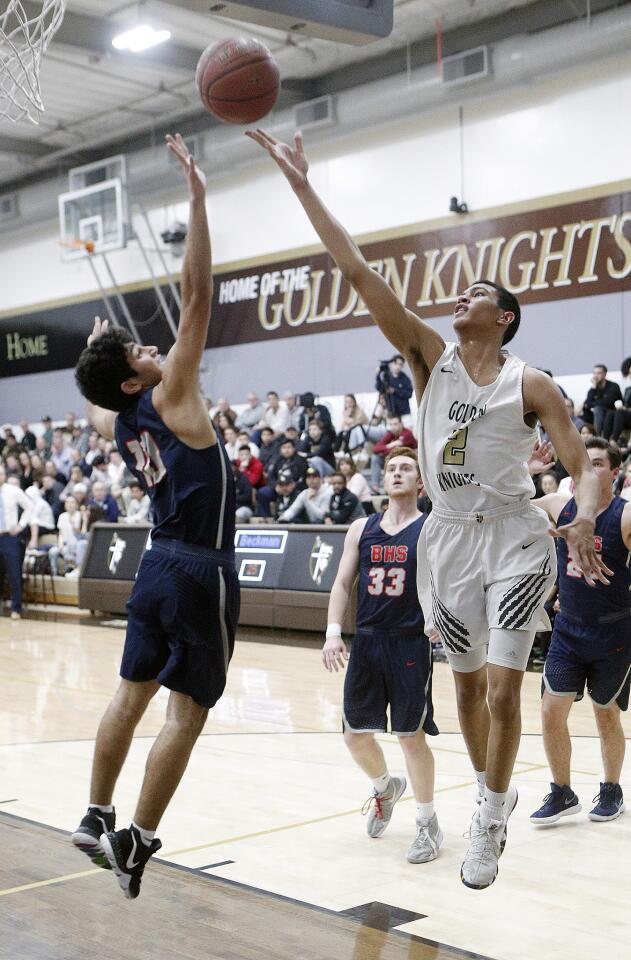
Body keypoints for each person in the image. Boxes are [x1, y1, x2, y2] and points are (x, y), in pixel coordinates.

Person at [247, 126, 608, 889]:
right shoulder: (423, 355)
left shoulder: (531, 383)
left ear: (504, 317)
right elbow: (353, 269)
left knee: (508, 685)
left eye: (476, 294)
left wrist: (579, 513)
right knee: (468, 686)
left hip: (513, 534)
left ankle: (487, 814)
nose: (460, 298)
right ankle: (492, 794)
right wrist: (301, 184)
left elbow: (582, 461)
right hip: (443, 544)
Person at [71, 134, 239, 900]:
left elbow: (96, 389)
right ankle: (134, 837)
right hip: (199, 566)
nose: (153, 345)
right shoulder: (169, 393)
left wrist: (104, 360)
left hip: (153, 563)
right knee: (187, 713)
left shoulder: (118, 419)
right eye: (139, 349)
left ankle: (93, 811)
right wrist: (199, 199)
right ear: (139, 378)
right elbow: (198, 296)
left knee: (128, 693)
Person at [323, 448, 441, 863]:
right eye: (391, 468)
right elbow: (341, 584)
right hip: (368, 641)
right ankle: (384, 786)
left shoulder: (431, 527)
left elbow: (448, 579)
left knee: (411, 737)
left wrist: (440, 619)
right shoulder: (361, 528)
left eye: (406, 468)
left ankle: (427, 822)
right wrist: (333, 633)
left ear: (420, 481)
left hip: (410, 641)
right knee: (354, 734)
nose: (396, 473)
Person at [530, 439, 630, 825]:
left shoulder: (624, 516)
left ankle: (611, 788)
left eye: (599, 463)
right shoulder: (558, 504)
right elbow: (507, 510)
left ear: (614, 472)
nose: (589, 468)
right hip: (568, 629)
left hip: (613, 633)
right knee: (550, 711)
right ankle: (562, 791)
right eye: (584, 462)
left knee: (606, 714)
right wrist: (530, 471)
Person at [0, 463, 34, 619]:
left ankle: (16, 608)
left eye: (1, 474)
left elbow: (29, 506)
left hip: (9, 537)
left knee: (14, 573)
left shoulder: (13, 491)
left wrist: (20, 525)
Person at [370, 415, 417, 490]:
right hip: (395, 460)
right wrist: (389, 445)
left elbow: (397, 451)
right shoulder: (390, 434)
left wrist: (386, 448)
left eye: (395, 424)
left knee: (392, 460)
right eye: (391, 424)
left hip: (409, 462)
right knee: (375, 458)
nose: (393, 427)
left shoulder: (407, 433)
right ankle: (375, 487)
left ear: (401, 424)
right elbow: (375, 449)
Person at [580, 364, 622, 438]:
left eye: (599, 373)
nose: (596, 376)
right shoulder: (593, 389)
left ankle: (597, 437)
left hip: (611, 413)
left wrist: (592, 404)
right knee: (584, 414)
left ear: (605, 374)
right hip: (597, 414)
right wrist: (593, 387)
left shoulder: (613, 386)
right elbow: (587, 404)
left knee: (598, 409)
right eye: (594, 373)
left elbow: (607, 403)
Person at [375, 355, 414, 421]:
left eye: (400, 364)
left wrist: (395, 391)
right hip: (391, 412)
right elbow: (379, 388)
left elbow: (409, 394)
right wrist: (378, 376)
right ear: (391, 364)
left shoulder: (405, 378)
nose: (398, 366)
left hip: (404, 412)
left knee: (407, 429)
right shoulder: (386, 377)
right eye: (396, 363)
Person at [610, 357, 631, 445]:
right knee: (610, 413)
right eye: (629, 373)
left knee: (620, 412)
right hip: (627, 417)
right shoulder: (628, 389)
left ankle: (613, 440)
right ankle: (605, 440)